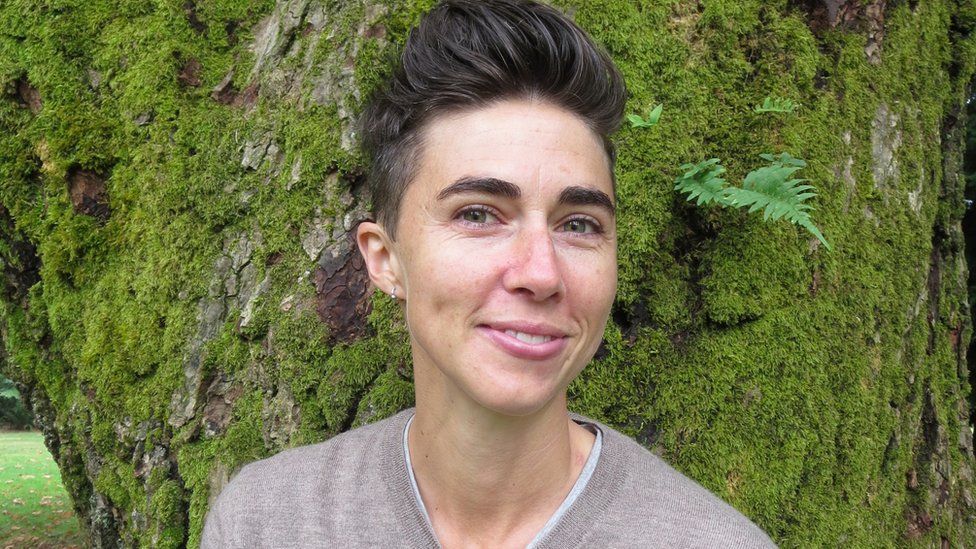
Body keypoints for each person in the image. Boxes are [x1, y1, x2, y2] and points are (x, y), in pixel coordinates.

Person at [201, 1, 777, 547]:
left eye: (578, 225)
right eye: (478, 215)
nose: (541, 273)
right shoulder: (263, 524)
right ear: (384, 259)